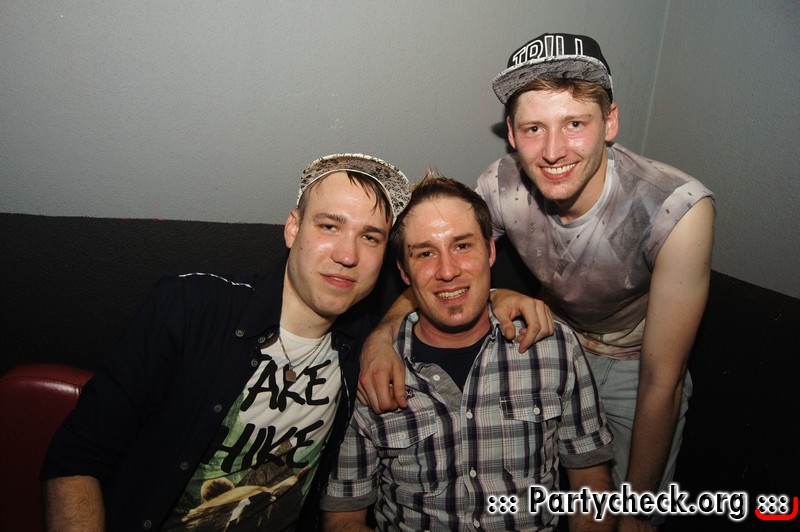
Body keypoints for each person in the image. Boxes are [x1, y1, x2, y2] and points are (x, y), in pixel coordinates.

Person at [359, 33, 715, 530]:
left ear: (610, 121)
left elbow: (663, 378)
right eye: (533, 128)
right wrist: (381, 336)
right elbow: (445, 269)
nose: (552, 151)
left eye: (575, 123)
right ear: (510, 132)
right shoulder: (500, 186)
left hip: (638, 364)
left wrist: (638, 510)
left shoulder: (675, 209)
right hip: (552, 345)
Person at [40, 153, 412, 531]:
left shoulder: (359, 344)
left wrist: (382, 337)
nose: (347, 255)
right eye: (330, 226)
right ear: (293, 229)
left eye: (370, 237)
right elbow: (77, 457)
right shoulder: (191, 308)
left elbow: (434, 280)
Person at [322, 173, 616, 531]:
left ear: (490, 251)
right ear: (404, 272)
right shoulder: (372, 372)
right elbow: (344, 516)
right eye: (425, 253)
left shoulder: (553, 348)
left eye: (462, 246)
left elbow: (591, 485)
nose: (447, 271)